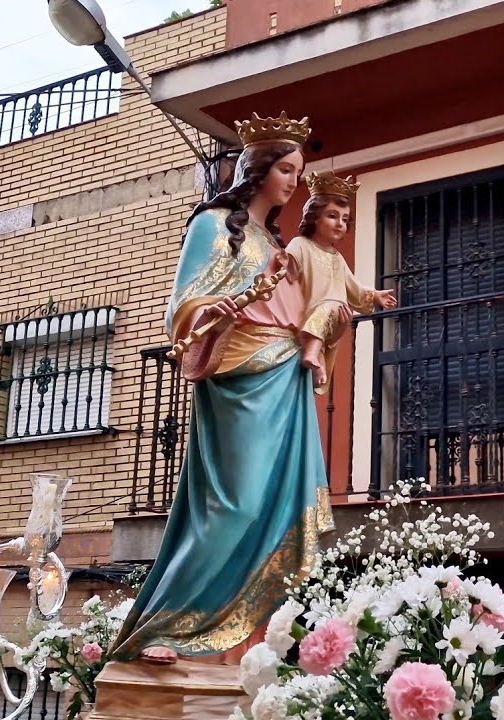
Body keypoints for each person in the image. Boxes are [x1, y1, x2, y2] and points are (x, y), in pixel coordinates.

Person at [111, 113, 333, 666]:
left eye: (297, 172)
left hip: (285, 376)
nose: (291, 182)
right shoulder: (213, 225)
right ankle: (169, 627)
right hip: (238, 376)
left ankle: (239, 643)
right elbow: (183, 307)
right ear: (256, 170)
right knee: (231, 505)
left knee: (270, 510)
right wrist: (217, 307)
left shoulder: (271, 240)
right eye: (284, 169)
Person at [285, 171, 398, 393]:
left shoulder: (337, 258)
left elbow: (353, 287)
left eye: (345, 219)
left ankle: (314, 353)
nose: (340, 224)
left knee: (334, 306)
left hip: (334, 317)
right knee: (330, 306)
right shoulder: (300, 245)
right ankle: (315, 359)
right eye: (332, 216)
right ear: (314, 217)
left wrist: (374, 295)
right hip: (304, 317)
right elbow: (285, 271)